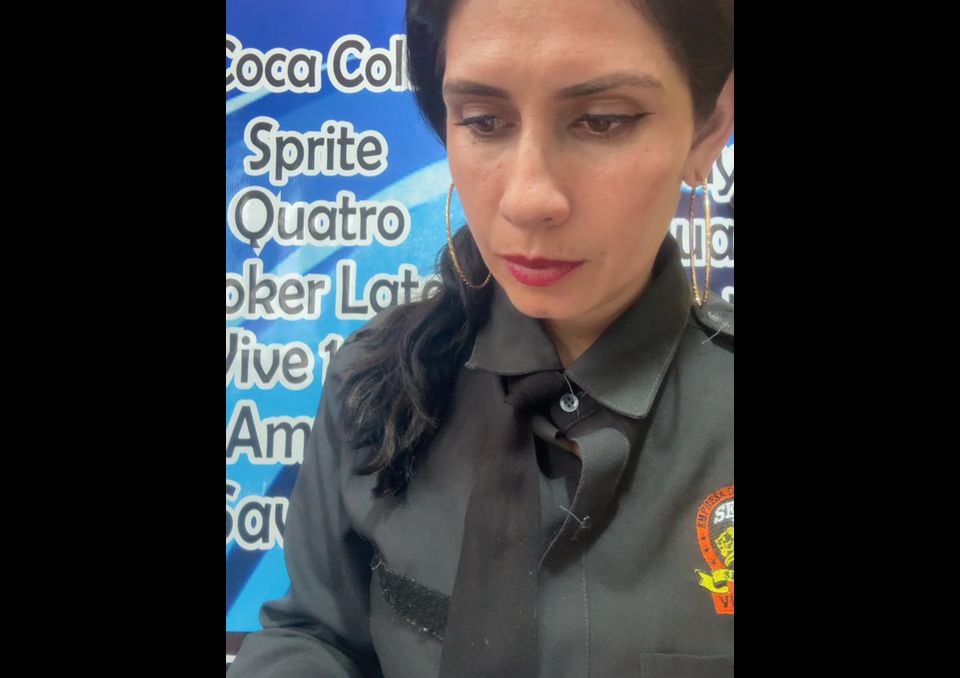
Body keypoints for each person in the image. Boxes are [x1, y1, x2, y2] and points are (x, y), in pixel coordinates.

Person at [229, 0, 734, 675]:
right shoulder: (376, 382)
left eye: (602, 119)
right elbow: (315, 633)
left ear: (709, 127)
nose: (527, 199)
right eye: (484, 121)